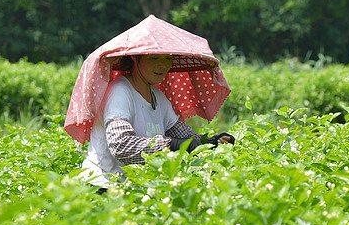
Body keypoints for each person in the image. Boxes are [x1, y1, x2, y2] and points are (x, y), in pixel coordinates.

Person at [64, 16, 234, 190]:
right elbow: (121, 146)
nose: (162, 65)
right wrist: (172, 145)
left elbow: (183, 135)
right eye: (154, 58)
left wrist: (210, 142)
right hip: (102, 185)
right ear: (136, 59)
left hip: (133, 186)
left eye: (168, 58)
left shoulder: (158, 97)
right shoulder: (120, 91)